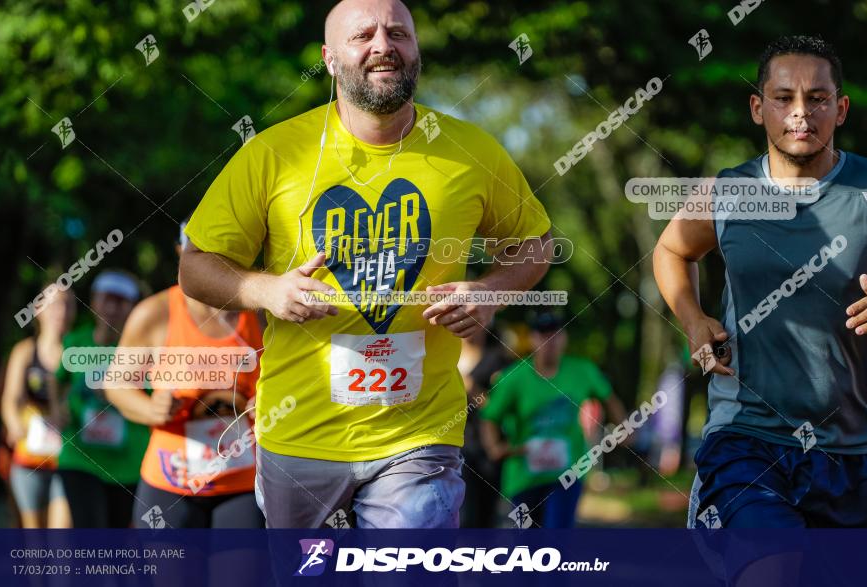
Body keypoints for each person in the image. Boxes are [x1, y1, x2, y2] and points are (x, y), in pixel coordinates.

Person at [178, 0, 552, 528]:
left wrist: (490, 290)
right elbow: (195, 266)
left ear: (416, 50)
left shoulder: (471, 151)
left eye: (398, 33)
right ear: (329, 58)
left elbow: (534, 243)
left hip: (418, 434)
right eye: (364, 35)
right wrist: (267, 291)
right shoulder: (275, 153)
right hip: (300, 432)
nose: (383, 45)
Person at [654, 35, 867, 539]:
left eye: (817, 99)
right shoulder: (726, 193)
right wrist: (693, 318)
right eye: (784, 98)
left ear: (840, 109)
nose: (801, 113)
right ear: (758, 108)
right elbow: (671, 251)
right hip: (747, 436)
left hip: (856, 447)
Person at [106, 225, 265, 528]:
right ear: (182, 253)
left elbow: (292, 378)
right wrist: (150, 409)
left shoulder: (259, 312)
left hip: (242, 483)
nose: (211, 262)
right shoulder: (156, 313)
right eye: (199, 251)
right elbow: (117, 385)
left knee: (239, 577)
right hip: (171, 484)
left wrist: (270, 401)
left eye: (220, 251)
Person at [479, 312, 626, 528]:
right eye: (543, 335)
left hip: (567, 474)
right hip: (523, 478)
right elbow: (490, 416)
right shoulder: (514, 378)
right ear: (532, 339)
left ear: (564, 338)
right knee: (528, 548)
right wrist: (495, 447)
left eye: (556, 335)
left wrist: (624, 429)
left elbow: (609, 398)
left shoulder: (582, 371)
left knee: (556, 539)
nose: (550, 342)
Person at [53, 270, 149, 527]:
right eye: (106, 299)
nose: (111, 308)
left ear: (133, 307)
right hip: (80, 459)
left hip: (127, 464)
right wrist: (56, 407)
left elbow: (154, 403)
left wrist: (119, 395)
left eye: (120, 302)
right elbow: (57, 380)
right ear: (93, 301)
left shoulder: (144, 352)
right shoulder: (75, 342)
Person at [1, 287, 74, 528]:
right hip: (29, 458)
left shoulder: (78, 353)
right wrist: (14, 422)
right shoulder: (24, 352)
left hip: (67, 460)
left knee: (61, 536)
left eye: (67, 305)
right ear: (38, 310)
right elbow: (11, 399)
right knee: (33, 537)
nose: (60, 312)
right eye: (54, 305)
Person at [458, 326, 511, 528]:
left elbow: (500, 407)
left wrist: (473, 390)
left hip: (485, 449)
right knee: (458, 513)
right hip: (450, 445)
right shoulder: (443, 354)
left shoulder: (498, 360)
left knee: (483, 515)